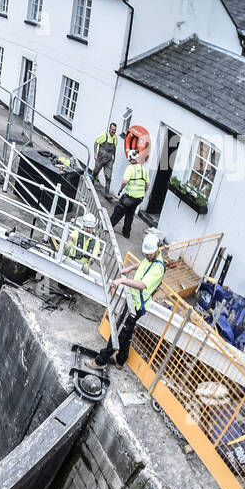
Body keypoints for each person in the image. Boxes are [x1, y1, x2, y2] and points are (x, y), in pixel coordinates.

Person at [95, 233, 166, 368]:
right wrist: (130, 268)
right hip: (133, 301)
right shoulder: (152, 257)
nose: (147, 256)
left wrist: (123, 280)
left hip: (137, 305)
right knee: (127, 330)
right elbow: (144, 263)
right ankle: (121, 360)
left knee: (120, 330)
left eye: (149, 254)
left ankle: (101, 360)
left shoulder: (158, 268)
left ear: (156, 250)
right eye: (146, 254)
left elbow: (142, 285)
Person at [109, 151, 150, 239]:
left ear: (131, 159)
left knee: (119, 211)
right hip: (139, 198)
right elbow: (147, 184)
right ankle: (126, 233)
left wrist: (120, 189)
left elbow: (125, 182)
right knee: (130, 214)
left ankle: (108, 227)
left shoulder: (130, 168)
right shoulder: (144, 169)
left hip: (130, 196)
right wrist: (142, 192)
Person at [92, 123, 119, 189]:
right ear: (109, 129)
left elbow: (114, 149)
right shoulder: (104, 136)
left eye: (115, 130)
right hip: (101, 158)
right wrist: (95, 153)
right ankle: (92, 181)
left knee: (108, 176)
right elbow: (96, 143)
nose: (113, 131)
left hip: (109, 160)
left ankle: (107, 193)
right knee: (96, 171)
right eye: (112, 129)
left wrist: (113, 159)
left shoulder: (115, 138)